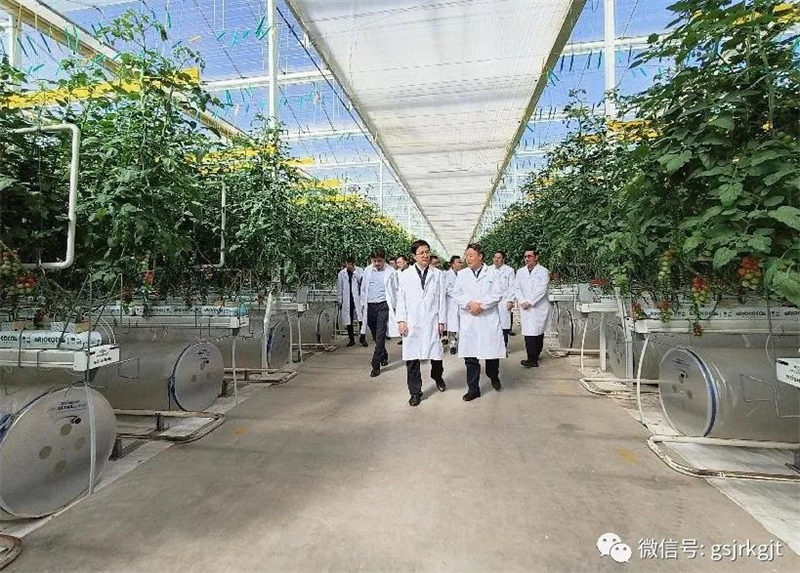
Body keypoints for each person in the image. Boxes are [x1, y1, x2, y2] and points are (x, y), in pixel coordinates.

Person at [451, 243, 506, 401]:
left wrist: (480, 305)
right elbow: (456, 294)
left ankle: (493, 376)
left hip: (487, 318)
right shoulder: (462, 274)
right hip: (470, 319)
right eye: (466, 256)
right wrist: (470, 304)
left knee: (491, 355)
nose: (468, 259)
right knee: (470, 357)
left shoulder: (493, 273)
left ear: (480, 256)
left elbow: (497, 294)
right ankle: (473, 389)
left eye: (471, 255)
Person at [396, 239, 447, 407]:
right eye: (421, 253)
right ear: (414, 256)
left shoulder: (438, 274)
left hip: (432, 319)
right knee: (412, 358)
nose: (425, 255)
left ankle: (437, 377)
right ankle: (415, 392)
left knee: (436, 356)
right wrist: (401, 320)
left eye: (427, 252)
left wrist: (442, 321)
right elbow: (401, 299)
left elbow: (442, 299)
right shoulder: (405, 275)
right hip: (413, 321)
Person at [360, 248, 400, 377]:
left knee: (380, 335)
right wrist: (362, 305)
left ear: (384, 259)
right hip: (370, 306)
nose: (377, 263)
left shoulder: (391, 272)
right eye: (374, 261)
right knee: (375, 334)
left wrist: (396, 307)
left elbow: (396, 290)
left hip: (383, 306)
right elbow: (363, 289)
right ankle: (383, 354)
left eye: (379, 261)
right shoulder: (367, 271)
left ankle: (375, 365)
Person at [511, 247, 550, 367]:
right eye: (525, 256)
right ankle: (531, 359)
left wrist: (530, 302)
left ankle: (536, 354)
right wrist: (522, 301)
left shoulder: (543, 271)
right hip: (525, 306)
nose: (527, 259)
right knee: (529, 333)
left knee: (538, 332)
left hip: (538, 306)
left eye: (530, 256)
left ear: (536, 257)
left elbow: (542, 289)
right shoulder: (520, 272)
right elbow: (516, 288)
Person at [336, 257, 366, 347]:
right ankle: (351, 339)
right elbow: (339, 287)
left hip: (357, 298)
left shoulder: (359, 271)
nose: (348, 266)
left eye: (350, 264)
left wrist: (354, 272)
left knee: (361, 319)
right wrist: (339, 300)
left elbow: (363, 282)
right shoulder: (342, 273)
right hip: (347, 299)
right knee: (349, 320)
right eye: (347, 264)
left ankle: (362, 338)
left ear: (353, 264)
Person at [492, 251, 516, 348]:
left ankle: (503, 347)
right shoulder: (488, 270)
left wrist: (510, 300)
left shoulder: (509, 271)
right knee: (492, 325)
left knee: (504, 325)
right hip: (491, 302)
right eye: (495, 257)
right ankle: (493, 347)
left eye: (499, 258)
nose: (496, 260)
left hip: (504, 301)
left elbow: (512, 287)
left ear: (503, 259)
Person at [443, 255, 462, 354]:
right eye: (458, 262)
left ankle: (463, 343)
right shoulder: (446, 275)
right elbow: (447, 289)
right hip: (451, 303)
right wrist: (458, 295)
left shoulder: (463, 274)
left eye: (461, 262)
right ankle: (452, 344)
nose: (460, 264)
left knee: (461, 324)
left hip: (461, 303)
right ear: (452, 264)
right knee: (452, 325)